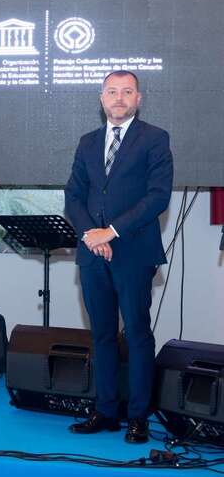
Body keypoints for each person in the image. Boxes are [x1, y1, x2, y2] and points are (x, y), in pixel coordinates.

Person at [65, 71, 173, 443]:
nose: (119, 98)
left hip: (133, 252)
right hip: (93, 255)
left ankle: (138, 416)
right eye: (112, 92)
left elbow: (158, 197)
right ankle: (106, 411)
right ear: (101, 98)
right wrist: (91, 237)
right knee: (103, 335)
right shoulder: (87, 142)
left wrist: (111, 232)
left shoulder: (155, 139)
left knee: (138, 334)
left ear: (138, 99)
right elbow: (74, 197)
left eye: (127, 92)